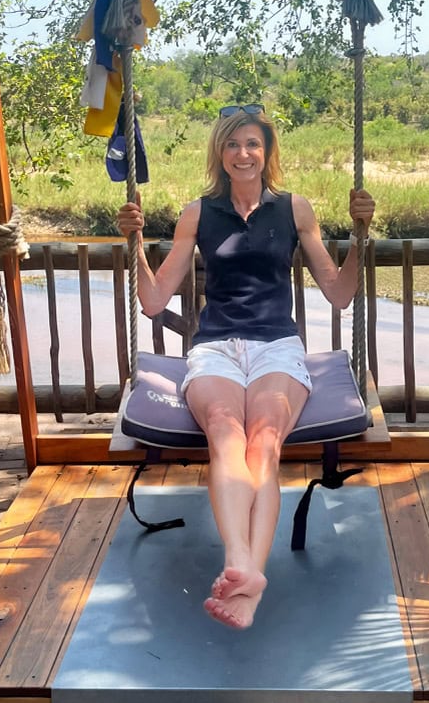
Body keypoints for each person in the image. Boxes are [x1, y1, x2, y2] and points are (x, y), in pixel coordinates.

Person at [116, 104, 375, 630]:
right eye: (233, 145)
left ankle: (246, 574)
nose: (243, 154)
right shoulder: (199, 213)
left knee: (265, 440)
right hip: (215, 347)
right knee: (224, 431)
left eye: (253, 144)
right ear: (220, 152)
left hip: (277, 346)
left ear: (267, 151)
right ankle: (241, 563)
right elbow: (152, 299)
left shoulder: (294, 209)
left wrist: (361, 235)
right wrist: (135, 244)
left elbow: (340, 293)